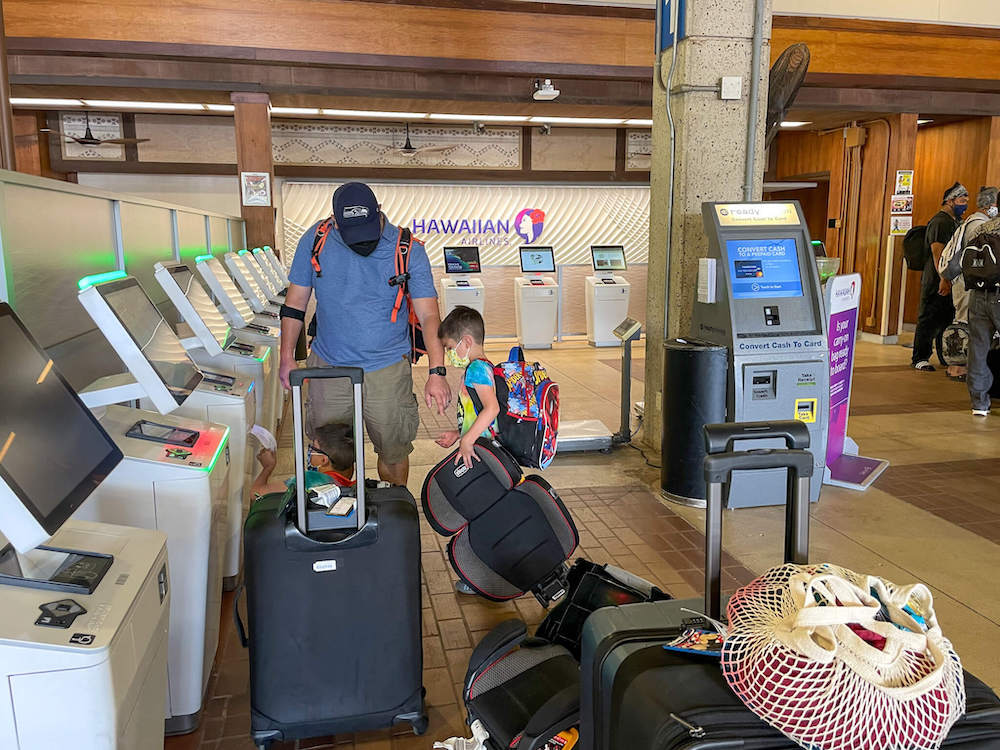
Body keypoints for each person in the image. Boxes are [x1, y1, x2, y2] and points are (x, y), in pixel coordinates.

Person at [278, 182, 452, 486]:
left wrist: (437, 371)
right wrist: (286, 358)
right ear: (334, 220)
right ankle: (337, 517)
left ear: (379, 212)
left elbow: (429, 315)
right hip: (329, 367)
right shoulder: (316, 239)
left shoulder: (407, 247)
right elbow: (295, 304)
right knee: (333, 454)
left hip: (386, 368)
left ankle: (395, 509)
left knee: (393, 450)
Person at [937, 186, 999, 380]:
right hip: (974, 284)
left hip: (971, 283)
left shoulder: (975, 223)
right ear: (991, 205)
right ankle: (958, 368)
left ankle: (968, 374)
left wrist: (946, 276)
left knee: (969, 329)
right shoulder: (980, 225)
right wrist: (945, 278)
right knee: (965, 328)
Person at [435, 305, 501, 469]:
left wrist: (467, 440)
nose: (449, 354)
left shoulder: (476, 370)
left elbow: (492, 409)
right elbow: (478, 412)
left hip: (482, 450)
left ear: (466, 342)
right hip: (481, 445)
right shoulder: (485, 367)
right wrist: (459, 434)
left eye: (449, 348)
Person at [911, 182, 968, 371]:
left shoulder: (955, 221)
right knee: (928, 318)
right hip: (935, 281)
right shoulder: (940, 221)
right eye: (962, 199)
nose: (965, 203)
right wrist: (944, 278)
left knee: (945, 320)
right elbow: (938, 252)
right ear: (950, 201)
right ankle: (920, 357)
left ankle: (944, 355)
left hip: (950, 281)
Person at [251, 422, 357, 498]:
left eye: (313, 449)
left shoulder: (310, 479)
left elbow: (256, 494)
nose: (310, 452)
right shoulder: (346, 483)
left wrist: (268, 467)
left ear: (323, 460)